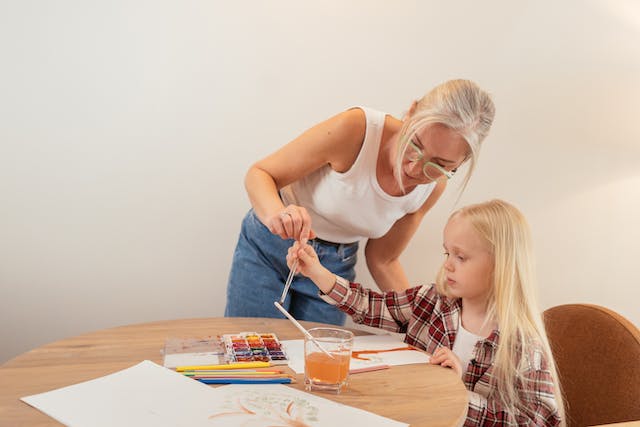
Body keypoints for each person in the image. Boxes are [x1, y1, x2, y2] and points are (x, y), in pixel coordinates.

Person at [225, 79, 495, 325]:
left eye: (439, 165)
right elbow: (261, 174)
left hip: (333, 268)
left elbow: (383, 259)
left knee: (318, 364)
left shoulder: (433, 187)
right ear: (411, 112)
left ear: (460, 164)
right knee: (252, 357)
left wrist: (420, 322)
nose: (414, 168)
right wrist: (278, 216)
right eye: (414, 145)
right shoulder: (357, 130)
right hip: (269, 247)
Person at [286, 199, 565, 425]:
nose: (448, 265)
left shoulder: (522, 343)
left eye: (461, 257)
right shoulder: (433, 300)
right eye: (447, 254)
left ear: (500, 265)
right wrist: (318, 273)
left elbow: (537, 421)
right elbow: (372, 306)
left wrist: (456, 393)